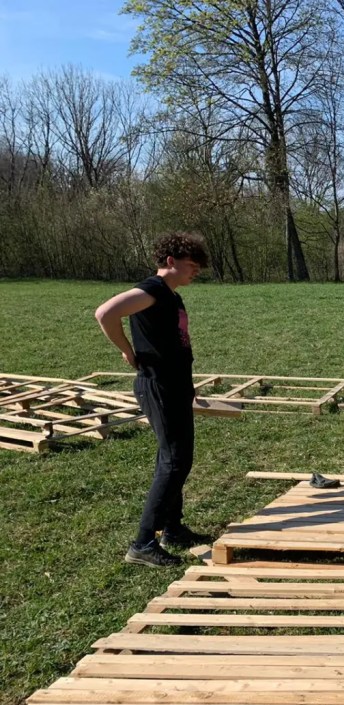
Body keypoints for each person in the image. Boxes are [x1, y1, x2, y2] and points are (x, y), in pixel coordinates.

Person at [94, 232, 210, 567]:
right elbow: (105, 313)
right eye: (191, 265)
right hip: (158, 385)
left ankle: (172, 528)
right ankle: (143, 542)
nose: (196, 271)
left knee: (176, 458)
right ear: (170, 262)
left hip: (175, 384)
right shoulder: (152, 290)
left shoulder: (171, 295)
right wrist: (126, 351)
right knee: (174, 461)